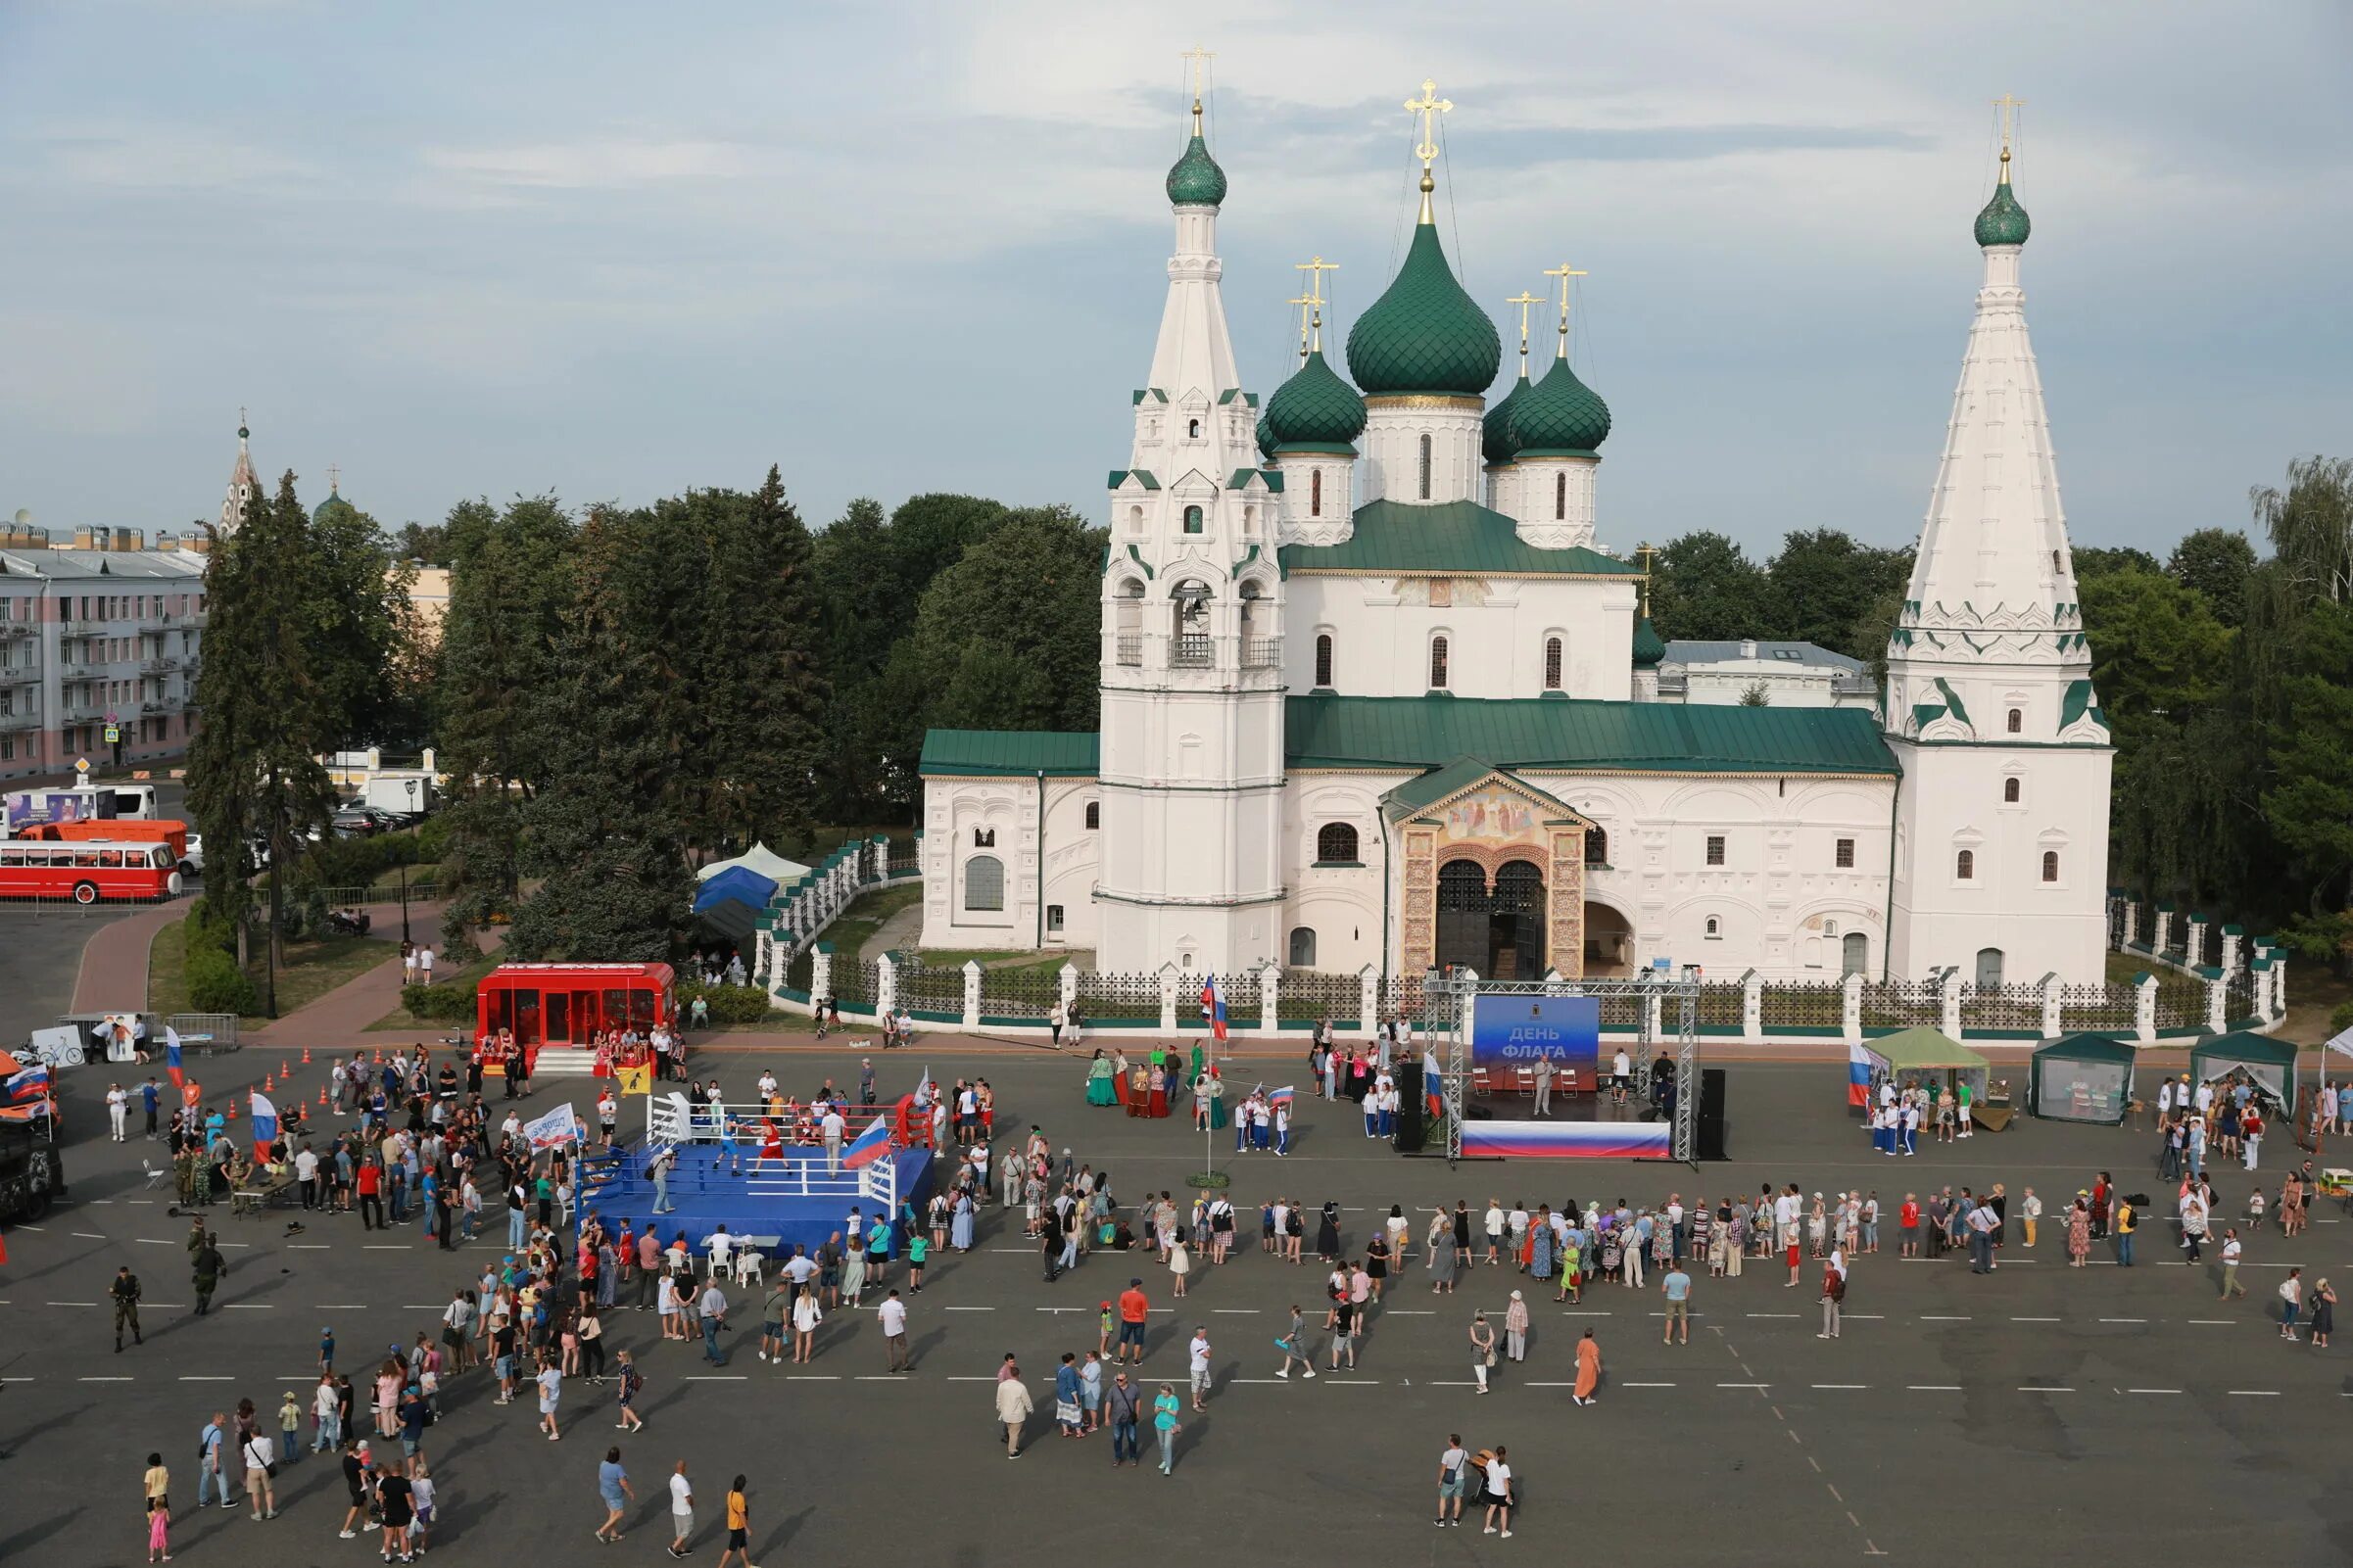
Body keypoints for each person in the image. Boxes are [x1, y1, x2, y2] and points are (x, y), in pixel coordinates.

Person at [596, 1447, 635, 1544]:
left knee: (613, 1514)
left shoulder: (603, 1464)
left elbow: (600, 1477)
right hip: (615, 1495)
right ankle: (601, 1531)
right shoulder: (618, 1468)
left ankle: (614, 1535)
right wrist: (630, 1492)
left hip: (605, 1493)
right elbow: (623, 1483)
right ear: (617, 1457)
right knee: (619, 1514)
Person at [717, 1474, 755, 1568]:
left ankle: (747, 1565)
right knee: (731, 1549)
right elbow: (742, 1515)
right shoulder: (740, 1498)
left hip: (732, 1523)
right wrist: (747, 1528)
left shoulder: (730, 1493)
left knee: (743, 1545)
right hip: (738, 1527)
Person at [996, 1363, 1034, 1458]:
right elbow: (1026, 1400)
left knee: (1011, 1431)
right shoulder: (1021, 1387)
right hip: (1017, 1416)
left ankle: (1014, 1446)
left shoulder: (1002, 1385)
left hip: (1005, 1414)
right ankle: (1012, 1452)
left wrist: (999, 1408)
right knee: (1014, 1433)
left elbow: (999, 1398)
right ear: (1018, 1375)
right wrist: (1030, 1410)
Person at [1106, 1369, 1142, 1467]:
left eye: (1120, 1380)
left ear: (1126, 1379)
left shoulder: (1134, 1388)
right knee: (1117, 1438)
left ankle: (1133, 1456)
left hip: (1130, 1418)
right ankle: (1118, 1457)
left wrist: (1138, 1413)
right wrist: (1107, 1418)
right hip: (1117, 1418)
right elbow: (1108, 1402)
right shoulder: (1113, 1389)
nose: (1118, 1382)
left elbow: (1138, 1400)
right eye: (1117, 1379)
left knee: (1132, 1438)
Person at [1480, 1444, 1514, 1538]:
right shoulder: (1505, 1467)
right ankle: (1504, 1532)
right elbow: (1505, 1483)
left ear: (1496, 1453)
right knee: (1503, 1512)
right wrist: (1508, 1496)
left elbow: (1487, 1474)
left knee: (1491, 1509)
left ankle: (1487, 1528)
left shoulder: (1490, 1462)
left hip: (1492, 1491)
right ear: (1505, 1454)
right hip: (1501, 1493)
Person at [1435, 1434, 1469, 1528]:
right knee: (1457, 1500)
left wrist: (1440, 1480)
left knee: (1443, 1498)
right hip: (1460, 1479)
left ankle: (1441, 1520)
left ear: (1451, 1442)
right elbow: (1468, 1460)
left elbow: (1443, 1469)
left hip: (1449, 1480)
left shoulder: (1447, 1454)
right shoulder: (1464, 1452)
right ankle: (1455, 1520)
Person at [144, 1450, 171, 1563]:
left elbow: (148, 1485)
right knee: (164, 1510)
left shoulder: (149, 1472)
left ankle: (152, 1527)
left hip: (152, 1494)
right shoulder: (164, 1469)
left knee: (152, 1511)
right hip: (162, 1492)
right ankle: (164, 1524)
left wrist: (147, 1494)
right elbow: (167, 1479)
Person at [111, 1264, 143, 1352]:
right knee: (119, 1323)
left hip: (130, 1304)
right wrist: (118, 1296)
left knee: (133, 1320)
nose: (123, 1275)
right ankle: (118, 1344)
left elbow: (138, 1290)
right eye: (122, 1274)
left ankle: (137, 1335)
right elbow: (111, 1292)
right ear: (120, 1273)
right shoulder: (117, 1281)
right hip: (120, 1305)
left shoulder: (133, 1279)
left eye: (125, 1274)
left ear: (128, 1272)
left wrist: (132, 1297)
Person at [1152, 1383, 1182, 1474]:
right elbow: (1155, 1411)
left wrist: (1166, 1409)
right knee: (1161, 1445)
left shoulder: (1174, 1399)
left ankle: (1168, 1467)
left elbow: (1175, 1413)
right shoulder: (1159, 1397)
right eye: (1162, 1393)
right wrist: (1158, 1409)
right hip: (1159, 1424)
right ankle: (1164, 1460)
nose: (1163, 1395)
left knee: (1167, 1446)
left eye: (1165, 1393)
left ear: (1169, 1392)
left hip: (1169, 1425)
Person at [668, 1460, 696, 1559]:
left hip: (676, 1509)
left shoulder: (672, 1479)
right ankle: (674, 1547)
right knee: (687, 1530)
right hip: (685, 1510)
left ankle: (682, 1550)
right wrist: (692, 1504)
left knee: (679, 1532)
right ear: (683, 1468)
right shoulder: (683, 1483)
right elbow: (688, 1497)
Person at [1661, 1261, 1693, 1345]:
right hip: (1682, 1299)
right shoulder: (1686, 1277)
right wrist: (1685, 1298)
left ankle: (1668, 1339)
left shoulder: (1668, 1276)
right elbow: (1687, 1290)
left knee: (1669, 1319)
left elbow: (1663, 1289)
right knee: (1683, 1320)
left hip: (1671, 1299)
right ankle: (1684, 1339)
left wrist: (1670, 1290)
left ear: (1674, 1266)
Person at [1572, 1326, 1601, 1406]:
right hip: (1590, 1366)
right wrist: (1598, 1367)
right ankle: (1577, 1394)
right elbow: (1594, 1357)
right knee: (1591, 1382)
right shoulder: (1593, 1345)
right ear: (1592, 1335)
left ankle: (1588, 1399)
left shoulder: (1581, 1342)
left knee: (1582, 1379)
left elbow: (1578, 1353)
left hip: (1583, 1364)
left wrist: (1580, 1360)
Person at [1468, 1311, 1497, 1394]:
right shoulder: (1487, 1325)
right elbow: (1492, 1337)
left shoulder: (1473, 1326)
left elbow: (1474, 1340)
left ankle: (1484, 1387)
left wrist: (1483, 1345)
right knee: (1483, 1365)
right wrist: (1487, 1346)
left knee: (1478, 1367)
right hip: (1486, 1349)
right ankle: (1482, 1384)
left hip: (1477, 1349)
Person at [2281, 1268, 2304, 1341]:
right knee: (2292, 1318)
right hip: (2294, 1302)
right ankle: (2291, 1334)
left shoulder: (2289, 1281)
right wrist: (2299, 1305)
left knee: (2286, 1315)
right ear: (2296, 1274)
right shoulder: (2296, 1283)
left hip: (2288, 1301)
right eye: (2299, 1273)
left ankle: (2284, 1331)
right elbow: (2296, 1295)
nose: (2300, 1274)